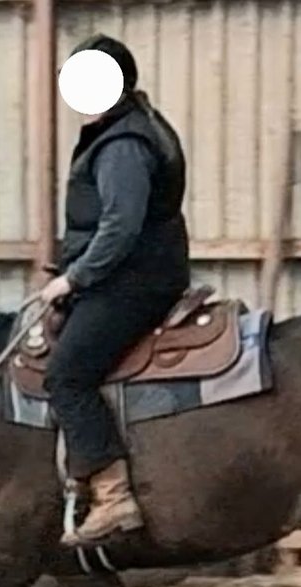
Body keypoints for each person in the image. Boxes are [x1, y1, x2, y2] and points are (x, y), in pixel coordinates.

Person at [39, 34, 190, 546]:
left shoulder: (123, 145)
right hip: (134, 273)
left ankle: (113, 495)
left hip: (133, 281)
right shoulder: (129, 128)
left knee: (66, 376)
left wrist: (74, 277)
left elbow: (121, 227)